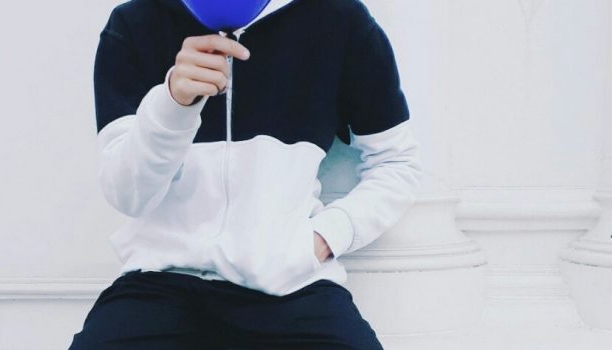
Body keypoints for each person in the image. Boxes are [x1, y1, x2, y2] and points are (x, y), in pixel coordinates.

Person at [71, 0, 421, 348]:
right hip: (160, 283)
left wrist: (325, 238)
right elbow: (127, 194)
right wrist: (172, 104)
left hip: (290, 287)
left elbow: (396, 162)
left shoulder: (338, 19)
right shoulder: (135, 22)